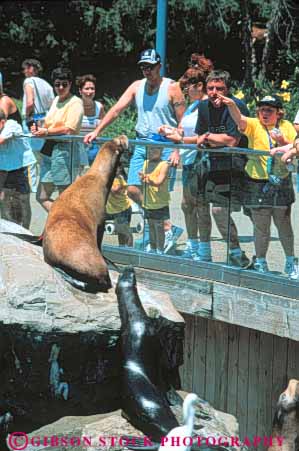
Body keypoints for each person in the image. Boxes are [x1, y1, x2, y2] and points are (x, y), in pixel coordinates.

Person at [83, 49, 185, 249]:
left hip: (165, 144)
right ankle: (165, 227)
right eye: (143, 67)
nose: (147, 71)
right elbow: (117, 109)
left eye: (151, 67)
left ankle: (158, 234)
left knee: (158, 193)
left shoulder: (172, 87)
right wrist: (97, 130)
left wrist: (177, 149)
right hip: (142, 143)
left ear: (159, 66)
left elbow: (183, 121)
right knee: (132, 189)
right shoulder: (137, 86)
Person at [220, 94, 298, 277]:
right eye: (262, 109)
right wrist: (231, 104)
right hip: (257, 181)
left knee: (283, 223)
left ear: (279, 113)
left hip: (280, 180)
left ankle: (291, 261)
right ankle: (261, 262)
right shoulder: (254, 124)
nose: (264, 113)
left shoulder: (286, 126)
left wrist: (281, 142)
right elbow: (239, 119)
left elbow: (295, 148)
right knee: (261, 226)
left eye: (269, 110)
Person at [178, 69, 250, 267]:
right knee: (199, 206)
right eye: (210, 88)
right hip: (209, 162)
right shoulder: (203, 106)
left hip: (234, 164)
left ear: (227, 90)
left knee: (220, 211)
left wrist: (209, 138)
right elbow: (200, 137)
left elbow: (231, 140)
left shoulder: (236, 106)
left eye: (219, 88)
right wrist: (189, 139)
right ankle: (205, 251)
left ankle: (236, 251)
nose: (214, 92)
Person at [159, 61, 215, 261]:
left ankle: (204, 249)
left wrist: (180, 139)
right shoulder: (192, 106)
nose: (184, 91)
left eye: (187, 88)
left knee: (200, 205)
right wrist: (171, 133)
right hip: (190, 161)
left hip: (202, 160)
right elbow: (182, 130)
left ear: (198, 86)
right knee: (186, 205)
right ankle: (193, 245)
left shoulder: (207, 104)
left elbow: (205, 136)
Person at [31, 67, 83, 212]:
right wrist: (38, 128)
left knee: (64, 196)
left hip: (64, 150)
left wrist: (46, 131)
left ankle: (65, 225)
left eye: (64, 84)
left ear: (70, 84)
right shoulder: (55, 100)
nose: (60, 87)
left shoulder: (75, 102)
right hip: (48, 149)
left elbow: (69, 129)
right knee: (41, 196)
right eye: (57, 84)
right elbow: (49, 123)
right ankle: (60, 220)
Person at [21, 58, 54, 193]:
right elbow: (53, 105)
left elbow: (30, 102)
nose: (24, 72)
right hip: (45, 120)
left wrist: (28, 115)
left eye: (24, 68)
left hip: (32, 120)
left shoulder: (29, 81)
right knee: (44, 155)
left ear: (30, 68)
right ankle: (47, 184)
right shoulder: (47, 85)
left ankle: (33, 187)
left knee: (30, 156)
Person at [0, 108, 36, 228]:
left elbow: (1, 140)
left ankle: (25, 231)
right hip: (4, 169)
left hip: (20, 168)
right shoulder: (4, 124)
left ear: (3, 122)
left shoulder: (11, 124)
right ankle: (9, 232)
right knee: (5, 201)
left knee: (22, 200)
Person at [139, 147, 170, 254]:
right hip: (148, 201)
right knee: (150, 225)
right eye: (149, 150)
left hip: (160, 202)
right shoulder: (146, 163)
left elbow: (158, 181)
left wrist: (147, 179)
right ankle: (153, 247)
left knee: (159, 226)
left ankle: (160, 249)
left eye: (154, 150)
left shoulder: (164, 164)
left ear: (161, 151)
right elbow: (142, 179)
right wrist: (142, 179)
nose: (151, 152)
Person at [76, 74, 104, 165]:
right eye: (87, 88)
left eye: (92, 88)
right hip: (76, 149)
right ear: (80, 91)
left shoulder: (99, 107)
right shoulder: (74, 106)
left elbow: (101, 130)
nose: (90, 91)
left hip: (93, 150)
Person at [106, 165, 133, 247]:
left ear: (120, 169)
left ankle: (129, 250)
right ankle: (121, 248)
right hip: (116, 209)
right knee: (120, 231)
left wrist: (104, 181)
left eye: (115, 167)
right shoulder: (111, 178)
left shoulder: (120, 178)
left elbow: (115, 190)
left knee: (125, 231)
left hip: (122, 210)